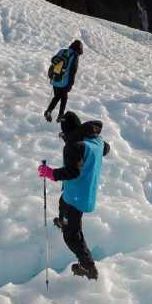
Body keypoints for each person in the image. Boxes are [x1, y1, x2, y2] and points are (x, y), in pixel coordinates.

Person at [38, 111, 110, 280]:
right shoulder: (96, 141)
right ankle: (64, 221)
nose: (63, 138)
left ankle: (88, 266)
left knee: (72, 235)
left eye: (63, 134)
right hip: (81, 191)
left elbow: (73, 171)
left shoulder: (74, 146)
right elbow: (106, 149)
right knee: (62, 201)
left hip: (78, 196)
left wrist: (50, 173)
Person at [44, 40, 83, 123]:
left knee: (57, 96)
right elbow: (73, 71)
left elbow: (53, 60)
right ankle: (60, 115)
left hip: (55, 78)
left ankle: (48, 111)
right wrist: (70, 84)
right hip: (64, 82)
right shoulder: (75, 55)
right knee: (64, 98)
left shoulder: (62, 51)